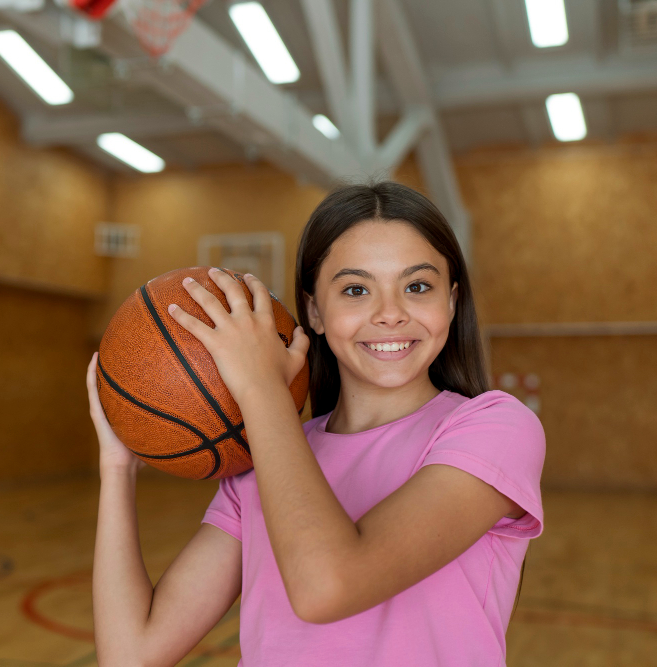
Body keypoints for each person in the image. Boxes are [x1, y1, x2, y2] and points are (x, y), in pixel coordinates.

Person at [86, 181, 546, 666]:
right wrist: (117, 466)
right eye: (355, 289)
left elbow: (327, 587)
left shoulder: (496, 427)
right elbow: (131, 654)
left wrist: (259, 385)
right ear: (314, 311)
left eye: (416, 286)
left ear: (451, 302)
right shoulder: (264, 455)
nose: (389, 313)